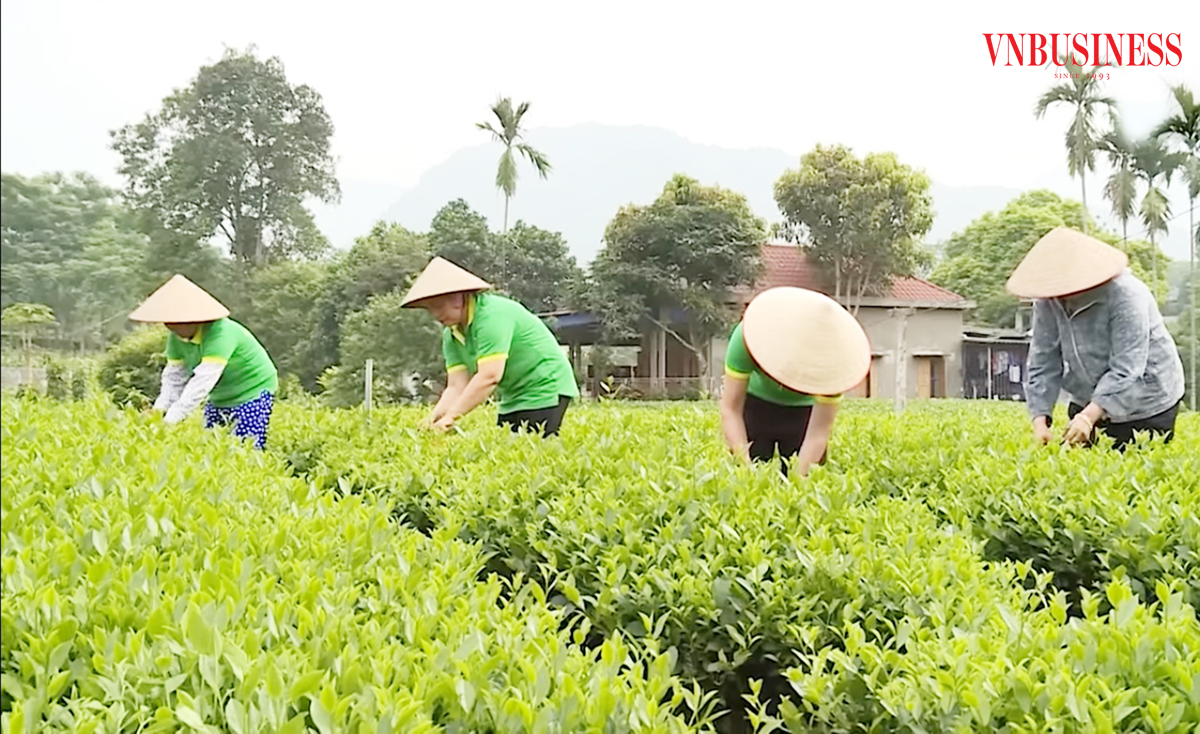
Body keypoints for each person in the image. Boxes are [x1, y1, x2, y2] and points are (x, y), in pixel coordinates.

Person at [1006, 226, 1185, 450]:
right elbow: (1044, 359)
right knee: (1082, 470)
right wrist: (1040, 420)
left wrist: (1089, 417)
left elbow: (1128, 367)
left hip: (1148, 401)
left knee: (1133, 474)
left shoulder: (1126, 296)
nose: (1062, 294)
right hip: (1088, 396)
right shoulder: (1048, 300)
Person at [401, 257, 579, 436]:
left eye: (438, 306)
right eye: (430, 309)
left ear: (457, 298)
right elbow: (456, 385)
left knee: (535, 451)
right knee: (507, 452)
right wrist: (435, 418)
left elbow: (490, 376)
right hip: (512, 395)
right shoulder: (451, 334)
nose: (435, 314)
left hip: (545, 386)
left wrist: (451, 418)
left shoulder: (491, 317)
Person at [719, 286, 872, 476]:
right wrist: (745, 469)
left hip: (804, 414)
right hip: (756, 405)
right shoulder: (746, 336)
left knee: (805, 477)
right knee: (749, 476)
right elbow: (730, 409)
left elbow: (818, 432)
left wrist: (798, 486)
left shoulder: (834, 364)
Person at [129, 274, 279, 450]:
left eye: (176, 322)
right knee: (212, 448)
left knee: (244, 449)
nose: (170, 327)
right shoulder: (176, 337)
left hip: (252, 391)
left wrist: (171, 419)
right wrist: (159, 411)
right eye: (168, 322)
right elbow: (174, 378)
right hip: (219, 396)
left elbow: (203, 381)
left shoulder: (221, 333)